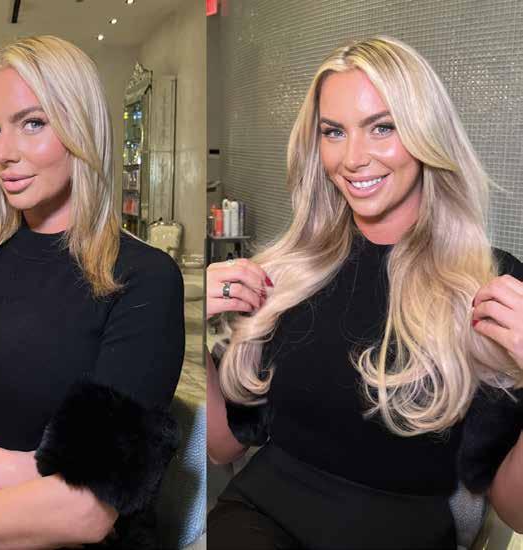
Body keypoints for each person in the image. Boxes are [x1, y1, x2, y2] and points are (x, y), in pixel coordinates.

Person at [206, 36, 523, 549]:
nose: (353, 159)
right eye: (334, 132)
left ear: (426, 133)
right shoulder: (285, 275)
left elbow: (515, 511)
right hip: (257, 518)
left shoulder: (489, 289)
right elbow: (222, 447)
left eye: (382, 127)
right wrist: (190, 328)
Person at [0, 35, 184, 549]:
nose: (5, 153)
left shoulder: (143, 278)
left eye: (33, 123)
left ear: (82, 128)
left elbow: (85, 512)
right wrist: (12, 471)